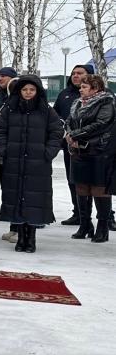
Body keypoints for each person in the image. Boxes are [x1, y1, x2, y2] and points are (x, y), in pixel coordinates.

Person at [0, 75, 63, 252]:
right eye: (25, 89)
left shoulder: (46, 111)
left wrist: (48, 153)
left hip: (37, 164)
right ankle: (20, 236)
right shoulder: (10, 109)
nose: (28, 93)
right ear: (19, 91)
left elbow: (56, 132)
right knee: (16, 197)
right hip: (14, 161)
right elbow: (0, 130)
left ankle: (30, 237)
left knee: (34, 199)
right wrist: (4, 150)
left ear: (37, 91)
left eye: (32, 90)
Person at [65, 73, 115, 243]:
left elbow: (102, 124)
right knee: (81, 188)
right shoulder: (77, 103)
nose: (81, 90)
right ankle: (85, 224)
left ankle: (103, 226)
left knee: (99, 190)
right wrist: (70, 134)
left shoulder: (106, 102)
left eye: (84, 87)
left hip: (98, 151)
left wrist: (76, 135)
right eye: (81, 87)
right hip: (79, 151)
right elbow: (70, 120)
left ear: (96, 88)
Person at [54, 64, 91, 225]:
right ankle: (79, 214)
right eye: (73, 73)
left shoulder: (102, 95)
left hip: (95, 148)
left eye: (80, 73)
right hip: (70, 147)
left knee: (98, 183)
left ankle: (107, 217)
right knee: (73, 180)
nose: (75, 76)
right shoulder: (64, 95)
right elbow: (54, 117)